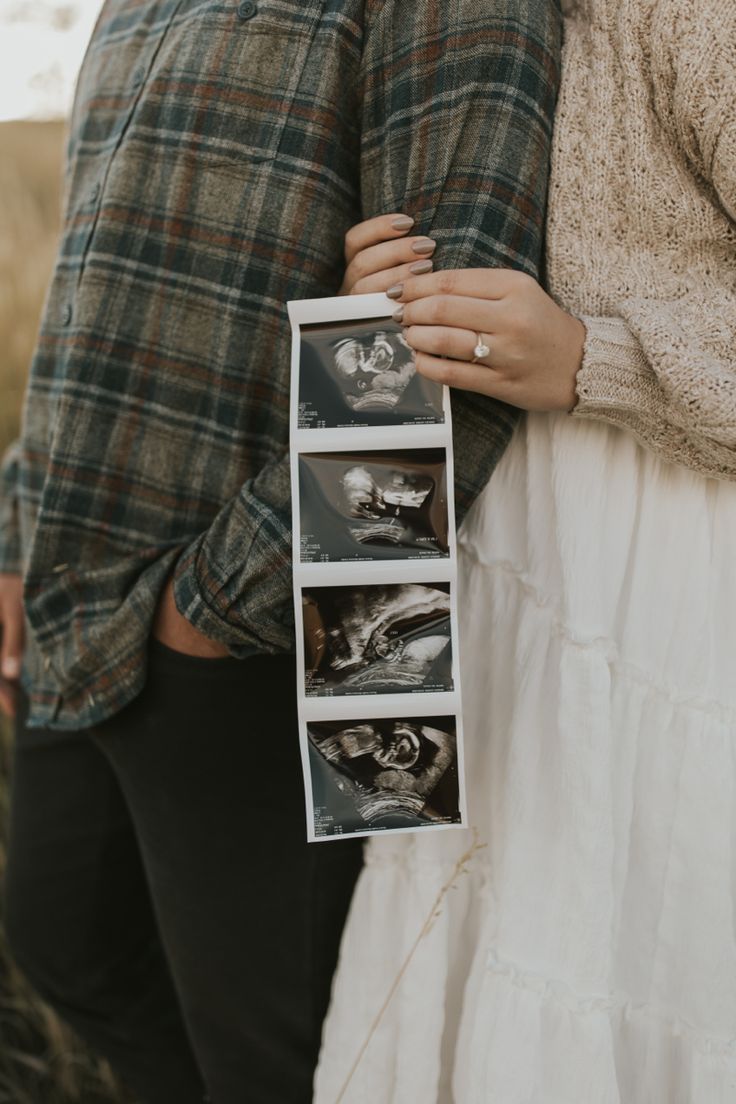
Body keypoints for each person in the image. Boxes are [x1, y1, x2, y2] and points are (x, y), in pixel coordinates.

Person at [0, 3, 562, 1102]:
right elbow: (91, 273)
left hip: (301, 627)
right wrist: (18, 531)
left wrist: (211, 615)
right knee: (69, 947)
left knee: (294, 1060)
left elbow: (455, 348)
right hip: (80, 578)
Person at [317, 0, 736, 1100]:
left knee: (624, 955)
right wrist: (376, 308)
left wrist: (597, 358)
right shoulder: (429, 23)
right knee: (461, 933)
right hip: (470, 559)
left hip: (660, 578)